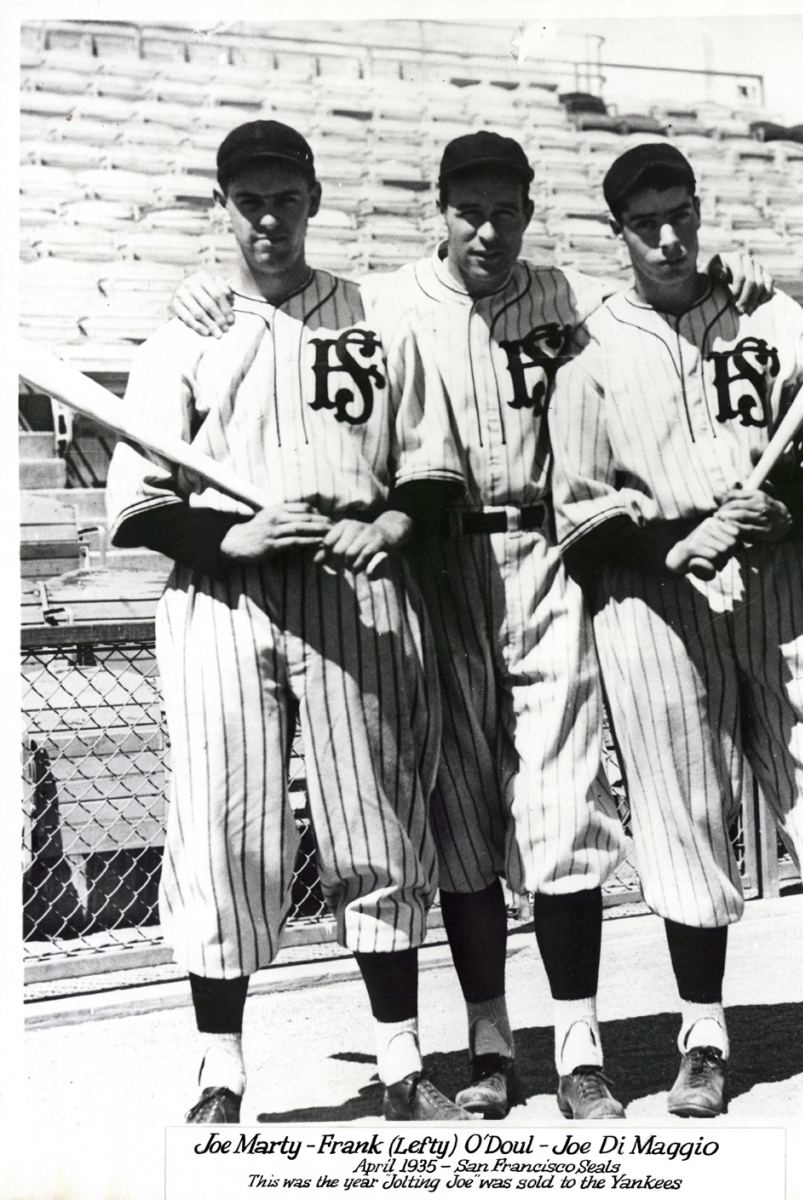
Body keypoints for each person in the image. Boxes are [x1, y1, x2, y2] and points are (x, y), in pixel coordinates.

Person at [171, 130, 773, 1121]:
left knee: (560, 808)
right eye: (469, 209)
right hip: (428, 572)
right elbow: (270, 303)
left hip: (544, 557)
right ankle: (490, 1044)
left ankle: (579, 1047)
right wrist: (201, 291)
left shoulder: (569, 295)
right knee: (457, 825)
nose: (487, 228)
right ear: (438, 210)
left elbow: (667, 291)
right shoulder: (384, 306)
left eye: (506, 210)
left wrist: (723, 272)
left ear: (530, 213)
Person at [549, 141, 803, 1119]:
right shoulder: (586, 345)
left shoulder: (771, 315)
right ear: (619, 232)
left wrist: (781, 511)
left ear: (698, 206)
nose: (671, 236)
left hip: (783, 588)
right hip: (652, 608)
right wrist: (672, 540)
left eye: (681, 212)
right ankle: (704, 1037)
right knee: (680, 821)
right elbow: (578, 516)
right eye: (647, 223)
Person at [106, 121, 473, 1123]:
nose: (267, 217)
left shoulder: (374, 319)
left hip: (354, 588)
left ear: (312, 199)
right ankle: (220, 1071)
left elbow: (433, 471)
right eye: (248, 200)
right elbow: (140, 506)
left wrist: (393, 524)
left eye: (283, 197)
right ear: (223, 208)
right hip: (225, 598)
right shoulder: (185, 334)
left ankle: (400, 1062)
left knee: (378, 822)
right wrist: (233, 537)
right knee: (225, 833)